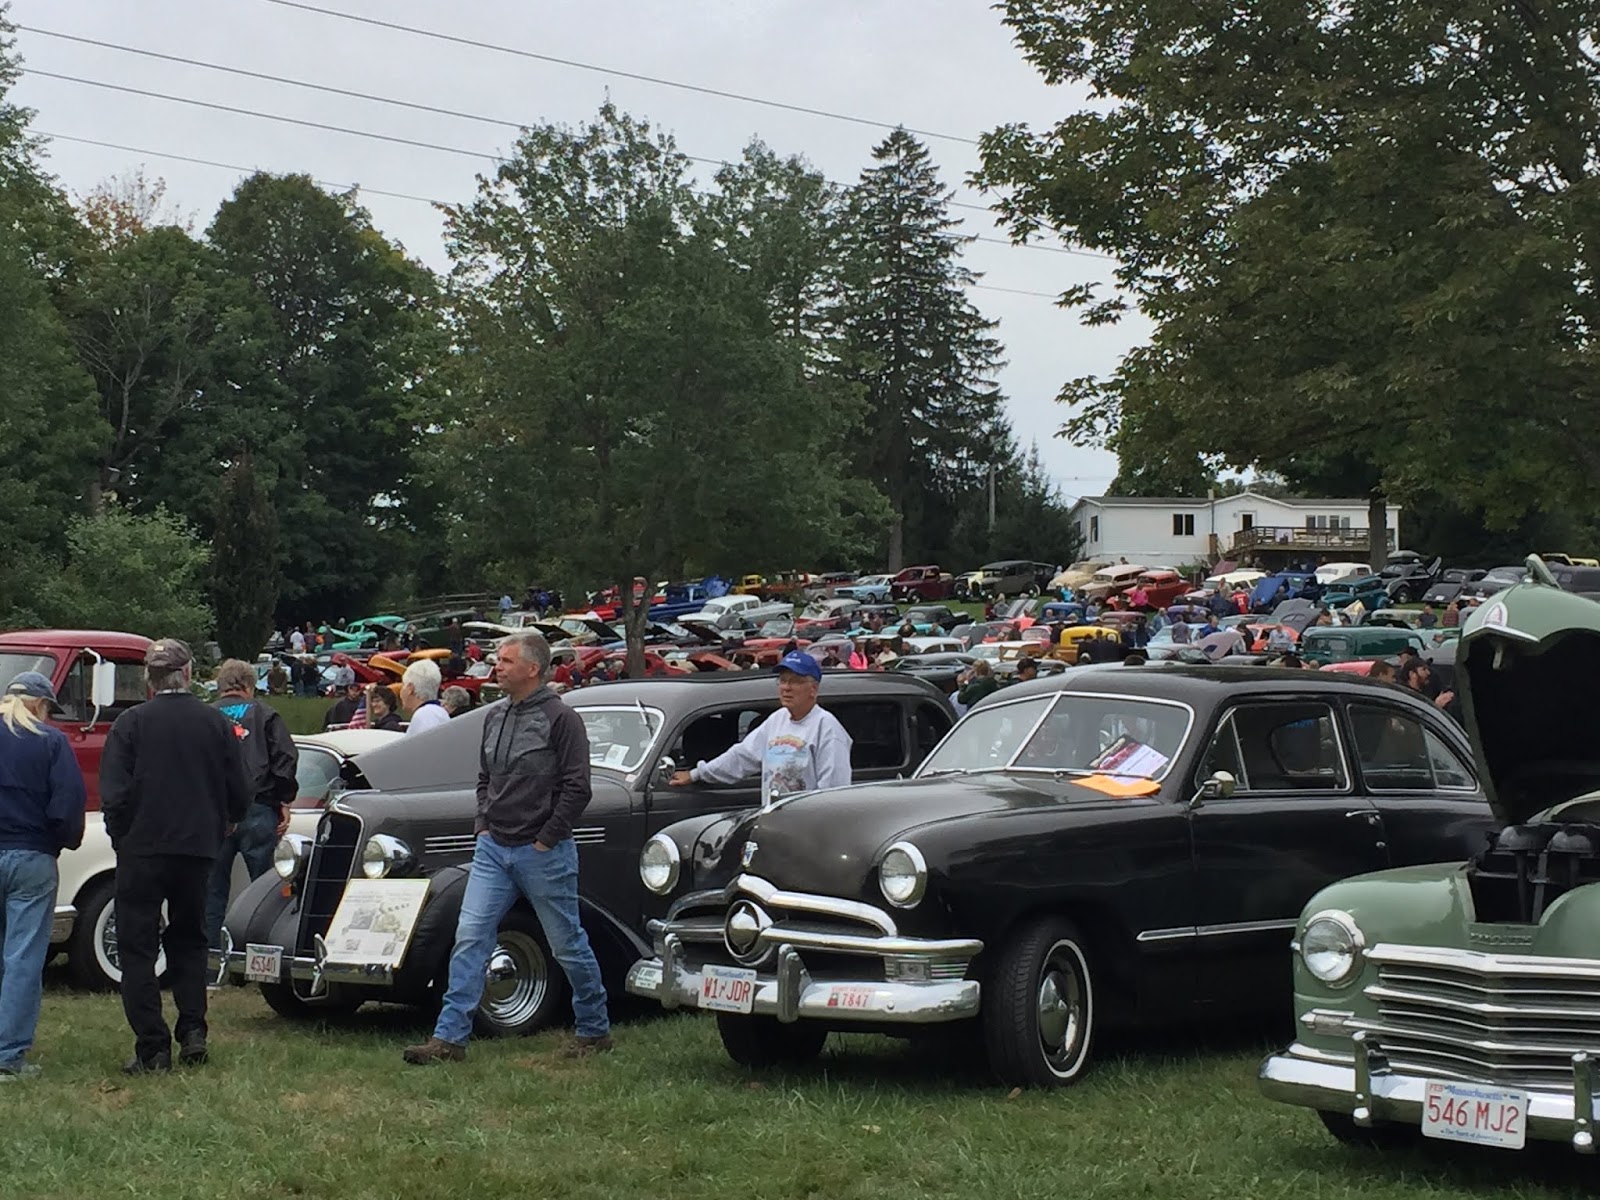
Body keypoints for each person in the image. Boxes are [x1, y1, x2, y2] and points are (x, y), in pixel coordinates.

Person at [403, 632, 610, 1064]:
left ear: (532, 669)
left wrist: (545, 838)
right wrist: (483, 825)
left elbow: (578, 788)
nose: (496, 666)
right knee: (470, 937)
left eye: (505, 660)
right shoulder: (494, 717)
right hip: (493, 848)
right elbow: (485, 780)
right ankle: (449, 1039)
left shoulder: (562, 720)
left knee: (566, 942)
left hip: (543, 853)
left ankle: (594, 1028)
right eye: (497, 659)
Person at [100, 639, 249, 1074]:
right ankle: (193, 1029)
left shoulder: (130, 724)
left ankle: (153, 1045)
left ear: (149, 678)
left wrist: (120, 837)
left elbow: (114, 794)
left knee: (137, 948)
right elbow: (239, 788)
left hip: (142, 849)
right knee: (189, 937)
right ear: (188, 674)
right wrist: (228, 820)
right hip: (196, 848)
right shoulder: (215, 724)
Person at [0, 672, 86, 1080]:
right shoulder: (51, 742)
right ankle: (8, 1056)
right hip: (31, 857)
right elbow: (66, 805)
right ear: (39, 705)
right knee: (21, 958)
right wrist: (61, 842)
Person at [669, 650, 852, 805]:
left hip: (808, 830)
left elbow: (833, 794)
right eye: (782, 680)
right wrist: (696, 774)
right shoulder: (776, 720)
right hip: (774, 824)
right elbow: (741, 757)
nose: (786, 687)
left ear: (814, 688)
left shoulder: (827, 728)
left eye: (795, 681)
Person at [205, 660, 298, 951]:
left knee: (212, 890)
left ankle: (211, 962)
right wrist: (283, 799)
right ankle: (263, 956)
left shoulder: (203, 715)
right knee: (266, 888)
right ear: (248, 685)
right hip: (257, 807)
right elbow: (285, 759)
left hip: (212, 811)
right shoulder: (265, 714)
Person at [400, 659, 451, 736]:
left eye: (403, 685)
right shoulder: (439, 713)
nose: (401, 691)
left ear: (410, 688)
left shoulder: (425, 716)